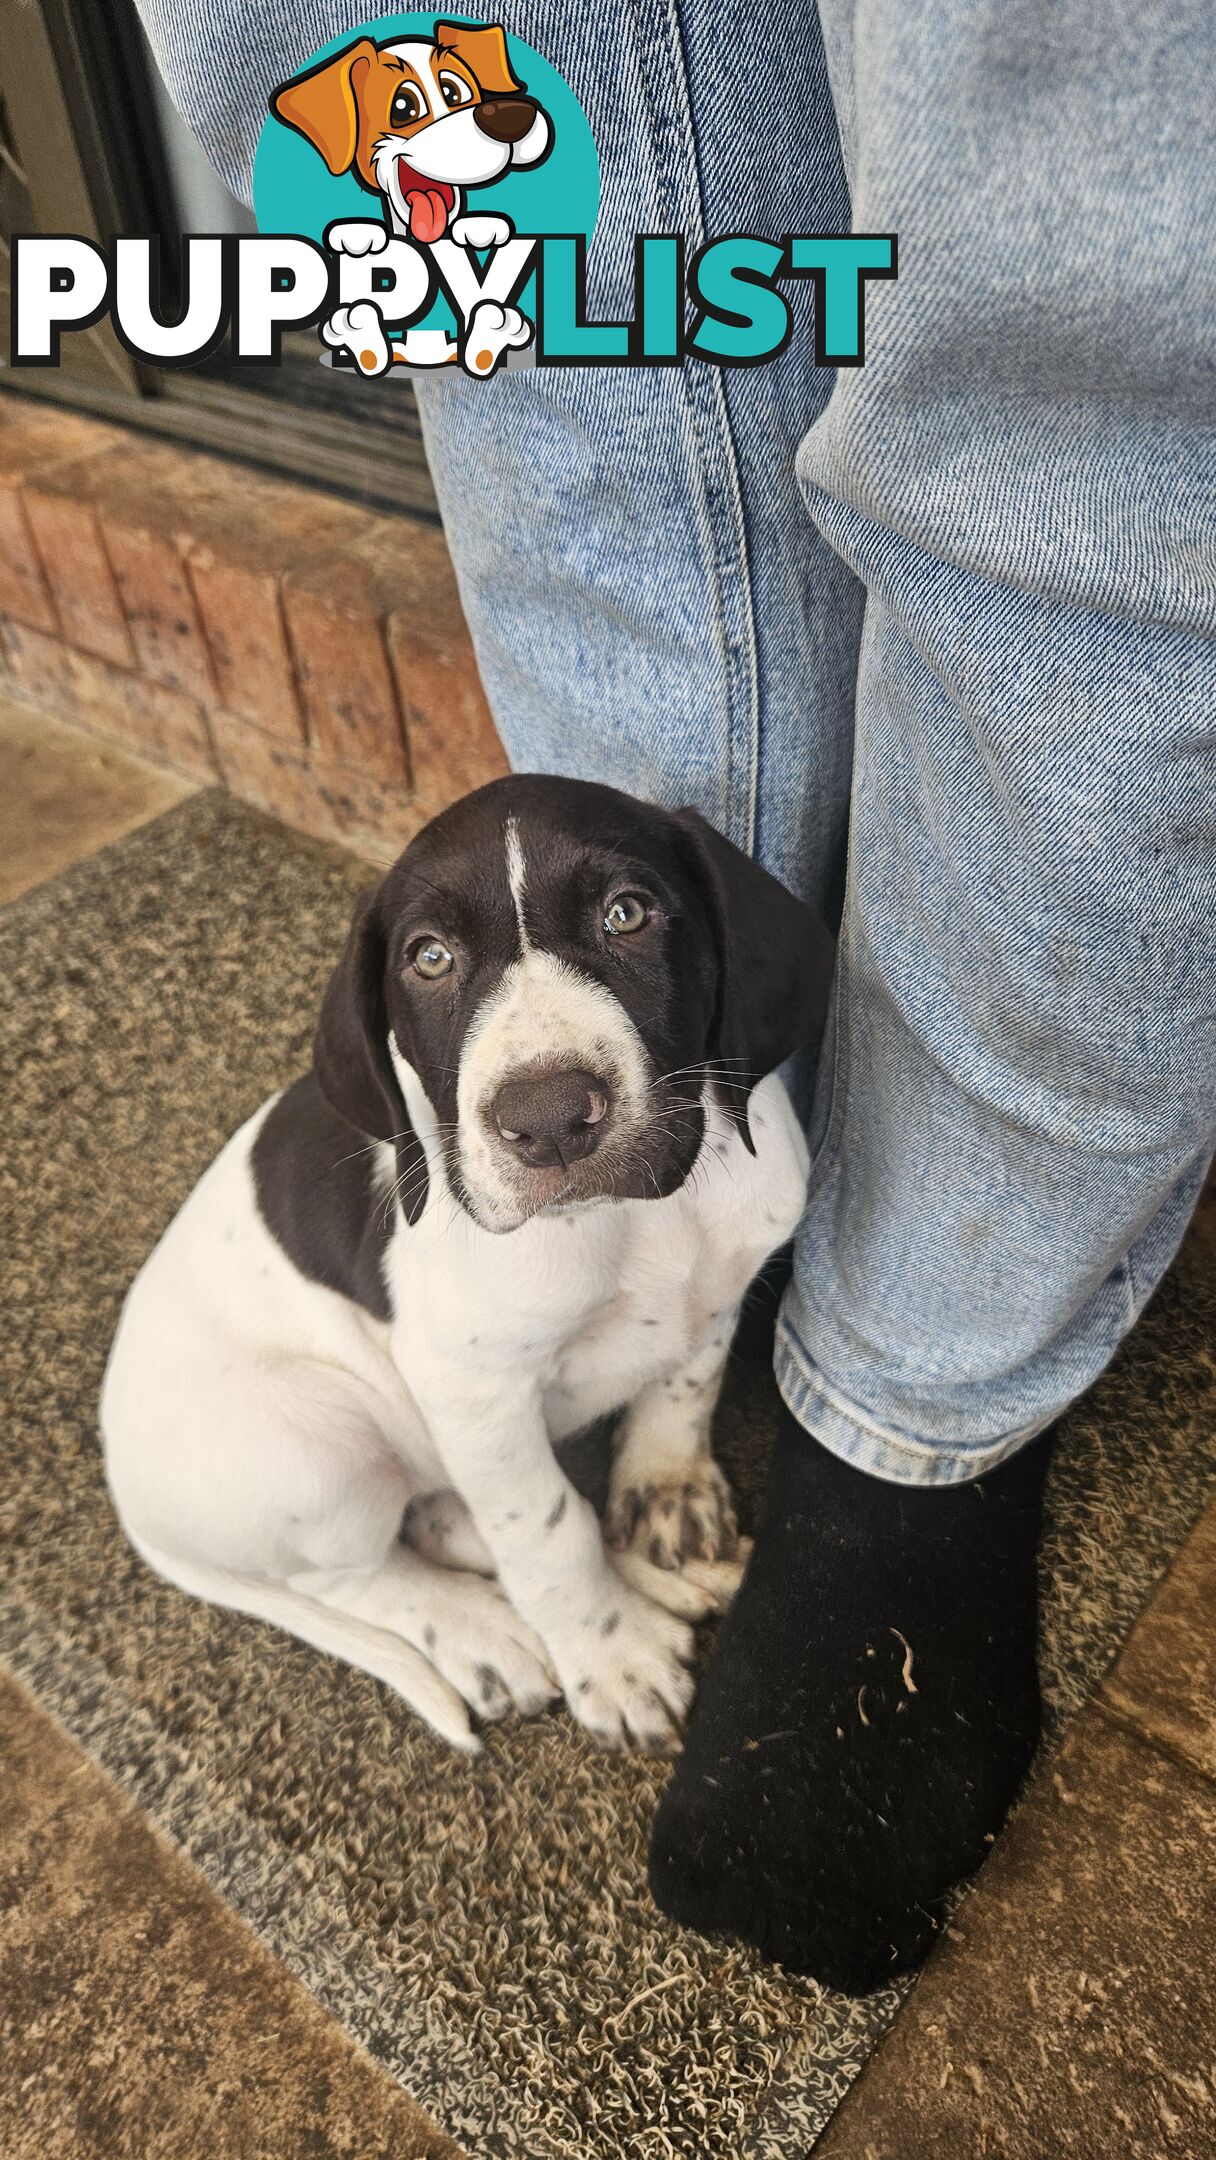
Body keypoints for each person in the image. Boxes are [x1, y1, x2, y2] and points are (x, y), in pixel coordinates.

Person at [134, 0, 1216, 1992]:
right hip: (284, 1445)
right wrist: (565, 1615)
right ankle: (508, 1530)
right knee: (510, 255)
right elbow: (458, 1363)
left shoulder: (718, 1060)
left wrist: (651, 1457)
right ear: (385, 1035)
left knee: (1089, 346)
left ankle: (915, 1406)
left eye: (624, 920)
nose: (539, 1055)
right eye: (443, 963)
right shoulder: (437, 1163)